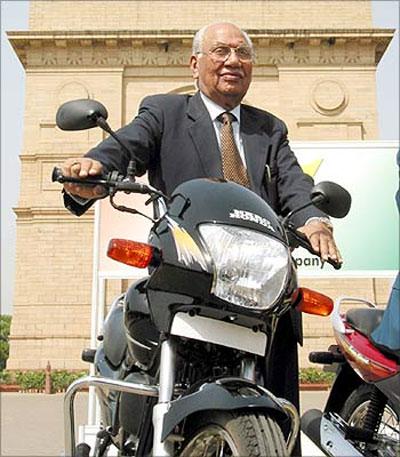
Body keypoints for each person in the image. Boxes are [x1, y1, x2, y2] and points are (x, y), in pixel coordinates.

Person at [60, 22, 342, 455]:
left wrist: (314, 221)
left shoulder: (270, 129)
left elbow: (295, 186)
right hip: (188, 276)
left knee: (281, 421)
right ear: (195, 64)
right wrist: (93, 170)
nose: (233, 61)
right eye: (221, 51)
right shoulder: (164, 112)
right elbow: (127, 147)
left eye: (243, 53)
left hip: (258, 292)